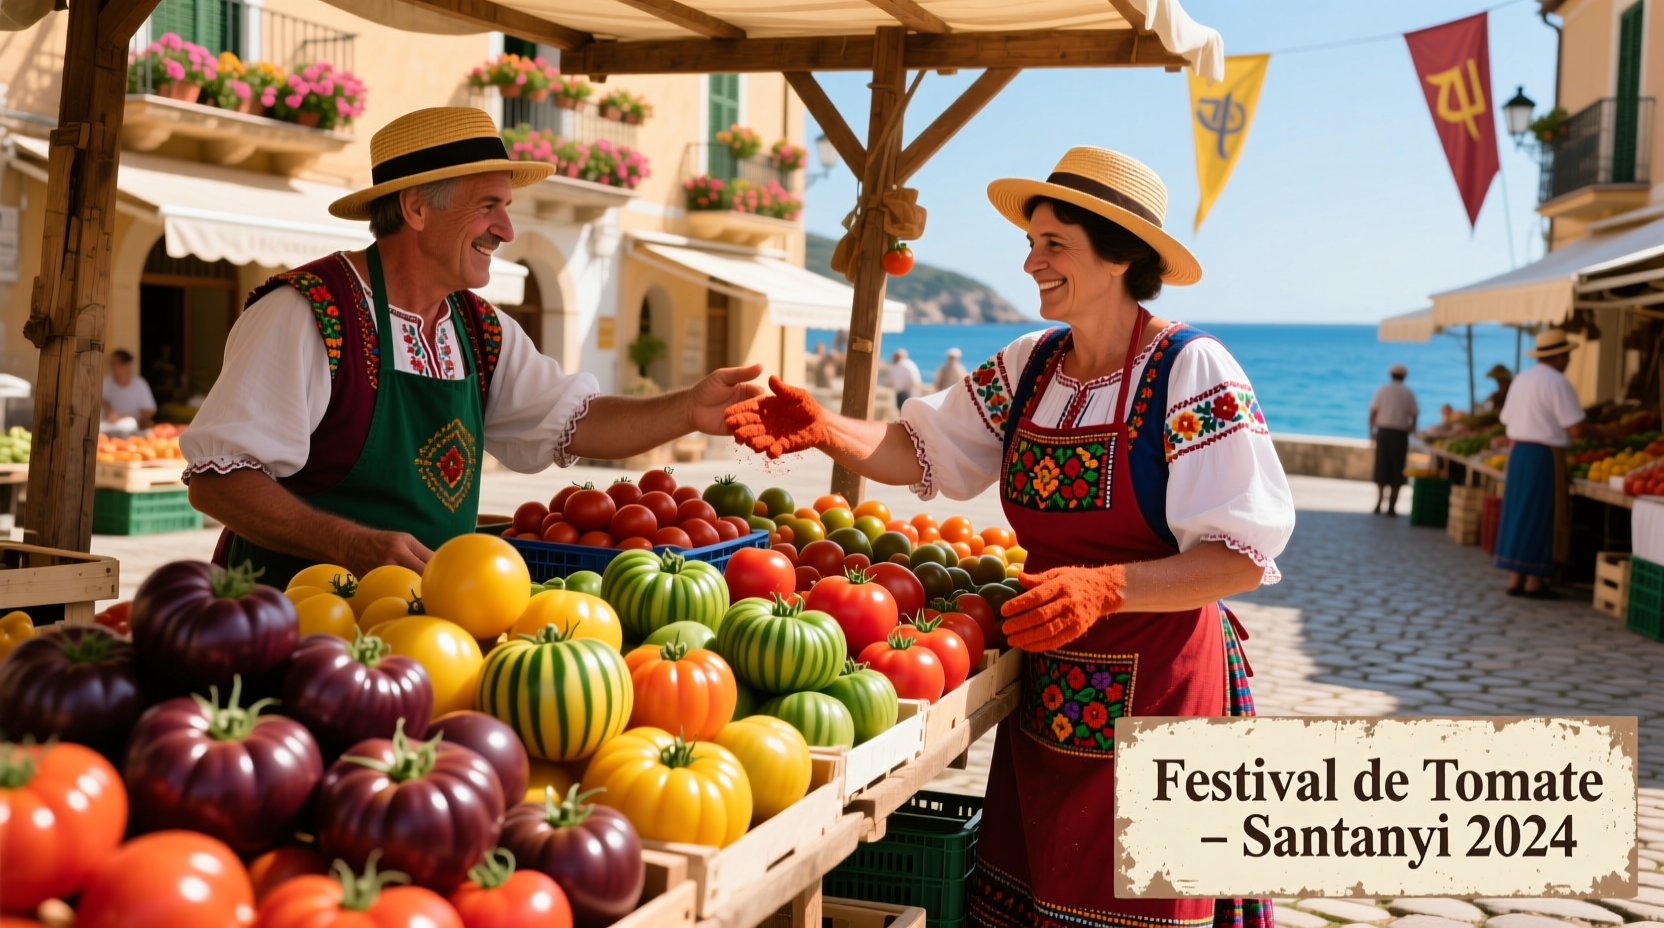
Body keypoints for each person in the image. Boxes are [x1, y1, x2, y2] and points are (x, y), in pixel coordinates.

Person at [727, 147, 1292, 928]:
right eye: (1031, 243)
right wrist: (827, 430)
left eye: (1053, 243)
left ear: (1121, 254)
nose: (1031, 261)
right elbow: (919, 449)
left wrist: (1107, 586)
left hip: (1161, 690)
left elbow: (1237, 555)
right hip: (1051, 687)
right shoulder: (1031, 366)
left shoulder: (1192, 369)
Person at [183, 108, 761, 586]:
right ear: (415, 207)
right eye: (488, 205)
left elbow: (578, 420)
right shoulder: (307, 312)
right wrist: (345, 542)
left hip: (419, 626)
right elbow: (219, 479)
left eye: (506, 208)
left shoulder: (479, 329)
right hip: (291, 624)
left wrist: (688, 409)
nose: (506, 230)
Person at [1495, 329, 1586, 598]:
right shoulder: (1557, 382)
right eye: (1567, 354)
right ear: (1558, 357)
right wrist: (1607, 433)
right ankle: (1534, 581)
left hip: (1518, 453)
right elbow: (1577, 428)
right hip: (1543, 456)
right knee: (1542, 514)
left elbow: (1506, 419)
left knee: (1517, 513)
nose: (1569, 359)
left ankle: (1515, 579)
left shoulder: (1522, 379)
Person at [1368, 363, 1418, 516]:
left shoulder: (1383, 390)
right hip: (1400, 434)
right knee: (1397, 469)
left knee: (1381, 468)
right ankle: (1392, 506)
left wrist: (1372, 432)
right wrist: (1412, 429)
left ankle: (1378, 503)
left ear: (1391, 375)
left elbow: (1373, 412)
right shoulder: (1408, 392)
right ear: (1404, 376)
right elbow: (1414, 414)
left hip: (1383, 432)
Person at [101, 349, 157, 434]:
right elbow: (101, 400)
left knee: (130, 424)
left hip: (131, 426)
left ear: (127, 364)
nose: (113, 365)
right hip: (108, 425)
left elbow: (149, 409)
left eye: (116, 363)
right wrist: (111, 413)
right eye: (112, 362)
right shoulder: (106, 381)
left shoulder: (140, 383)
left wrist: (133, 418)